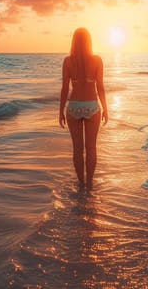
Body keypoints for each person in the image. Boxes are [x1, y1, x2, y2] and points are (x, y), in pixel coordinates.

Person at [59, 28, 108, 190]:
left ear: (74, 41)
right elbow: (100, 86)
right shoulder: (97, 60)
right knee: (91, 148)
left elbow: (65, 88)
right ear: (89, 42)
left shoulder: (68, 61)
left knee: (77, 150)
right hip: (92, 106)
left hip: (73, 107)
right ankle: (89, 184)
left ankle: (80, 183)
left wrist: (60, 111)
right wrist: (106, 108)